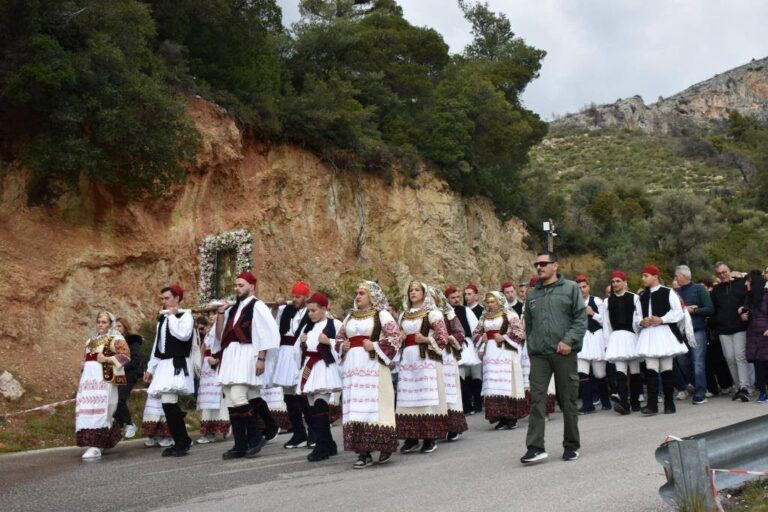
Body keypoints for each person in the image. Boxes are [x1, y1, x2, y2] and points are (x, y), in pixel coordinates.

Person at [521, 252, 586, 464]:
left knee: (568, 400)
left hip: (563, 353)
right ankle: (535, 447)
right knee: (536, 400)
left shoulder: (570, 288)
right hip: (539, 355)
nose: (539, 267)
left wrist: (569, 341)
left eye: (544, 264)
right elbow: (529, 325)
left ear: (555, 266)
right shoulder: (532, 294)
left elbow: (580, 319)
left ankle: (571, 446)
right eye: (537, 264)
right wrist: (532, 347)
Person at [213, 271, 280, 460]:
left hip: (247, 354)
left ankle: (256, 438)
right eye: (236, 285)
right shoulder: (234, 308)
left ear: (252, 286)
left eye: (241, 285)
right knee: (230, 399)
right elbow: (220, 335)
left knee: (238, 396)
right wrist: (220, 313)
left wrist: (261, 359)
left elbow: (267, 333)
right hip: (230, 356)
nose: (237, 288)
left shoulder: (257, 306)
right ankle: (240, 445)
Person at [336, 281, 400, 468]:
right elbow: (340, 337)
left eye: (362, 293)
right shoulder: (350, 317)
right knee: (356, 407)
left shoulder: (381, 314)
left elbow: (395, 337)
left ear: (372, 296)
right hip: (353, 370)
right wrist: (342, 346)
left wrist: (375, 345)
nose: (358, 296)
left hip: (373, 367)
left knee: (376, 407)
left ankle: (384, 445)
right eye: (357, 293)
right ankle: (363, 453)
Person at [397, 280, 449, 455]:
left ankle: (429, 438)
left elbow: (443, 337)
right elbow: (396, 337)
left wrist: (426, 339)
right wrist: (400, 337)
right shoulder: (403, 316)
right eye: (411, 290)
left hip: (426, 361)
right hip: (408, 361)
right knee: (409, 398)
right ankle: (411, 438)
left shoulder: (432, 313)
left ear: (424, 293)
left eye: (417, 290)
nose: (413, 292)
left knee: (426, 398)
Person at [144, 284, 195, 457]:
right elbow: (157, 346)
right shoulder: (163, 319)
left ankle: (182, 441)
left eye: (167, 298)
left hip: (177, 362)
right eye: (162, 299)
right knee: (167, 403)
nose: (164, 302)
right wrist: (151, 368)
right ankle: (182, 440)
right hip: (164, 364)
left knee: (169, 402)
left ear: (177, 298)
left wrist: (173, 317)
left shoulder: (185, 316)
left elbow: (183, 335)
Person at [76, 311, 131, 459]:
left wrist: (106, 359)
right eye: (99, 322)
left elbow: (125, 356)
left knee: (101, 410)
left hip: (104, 380)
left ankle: (96, 445)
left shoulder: (116, 339)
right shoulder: (90, 341)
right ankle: (101, 442)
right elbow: (86, 358)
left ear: (110, 324)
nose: (100, 324)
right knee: (87, 409)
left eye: (104, 322)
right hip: (88, 381)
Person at [296, 292, 343, 461]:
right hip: (310, 368)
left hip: (324, 367)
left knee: (320, 404)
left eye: (313, 310)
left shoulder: (335, 324)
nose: (310, 314)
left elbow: (344, 345)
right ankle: (329, 443)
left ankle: (321, 446)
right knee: (313, 408)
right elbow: (299, 351)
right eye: (308, 311)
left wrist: (329, 341)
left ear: (324, 308)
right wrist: (302, 343)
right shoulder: (307, 327)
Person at [635, 265, 688, 416]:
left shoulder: (668, 292)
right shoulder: (641, 297)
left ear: (655, 276)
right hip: (649, 334)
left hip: (664, 333)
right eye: (642, 276)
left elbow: (679, 312)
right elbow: (636, 316)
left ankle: (669, 403)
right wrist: (641, 322)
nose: (643, 278)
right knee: (650, 368)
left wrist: (662, 319)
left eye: (646, 275)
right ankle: (652, 405)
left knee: (666, 368)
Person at [473, 291, 527, 430]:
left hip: (506, 352)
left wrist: (504, 337)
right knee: (494, 384)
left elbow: (520, 332)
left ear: (499, 302)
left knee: (507, 384)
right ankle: (501, 417)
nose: (490, 304)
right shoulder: (484, 317)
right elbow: (476, 333)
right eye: (488, 302)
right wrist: (481, 338)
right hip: (490, 354)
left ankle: (511, 417)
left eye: (493, 302)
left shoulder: (509, 314)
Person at [272, 281, 312, 448]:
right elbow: (274, 326)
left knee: (302, 396)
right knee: (288, 397)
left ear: (306, 297)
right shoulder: (286, 310)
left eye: (298, 297)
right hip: (285, 354)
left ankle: (314, 433)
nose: (295, 299)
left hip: (300, 354)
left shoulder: (311, 312)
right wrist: (277, 307)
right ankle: (298, 433)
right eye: (293, 296)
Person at [430, 287, 469, 441]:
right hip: (430, 357)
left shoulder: (448, 313)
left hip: (446, 355)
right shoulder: (423, 315)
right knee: (435, 390)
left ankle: (453, 426)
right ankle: (437, 426)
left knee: (449, 390)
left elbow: (460, 332)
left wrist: (451, 338)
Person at [673, 265, 714, 405]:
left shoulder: (699, 289)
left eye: (676, 276)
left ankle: (700, 393)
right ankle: (696, 386)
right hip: (681, 332)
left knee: (698, 362)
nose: (675, 278)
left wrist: (695, 311)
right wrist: (685, 310)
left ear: (684, 276)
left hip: (697, 330)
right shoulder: (675, 292)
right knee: (682, 362)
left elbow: (710, 308)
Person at [603, 271, 643, 415]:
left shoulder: (634, 298)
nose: (615, 284)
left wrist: (640, 338)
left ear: (625, 282)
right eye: (613, 282)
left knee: (635, 371)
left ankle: (635, 402)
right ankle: (624, 403)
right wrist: (607, 343)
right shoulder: (607, 301)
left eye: (618, 281)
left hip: (631, 336)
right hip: (616, 338)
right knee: (620, 372)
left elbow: (638, 318)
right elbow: (606, 323)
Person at [711, 262, 751, 401]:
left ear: (729, 270)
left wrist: (745, 311)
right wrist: (716, 322)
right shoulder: (716, 290)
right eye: (719, 274)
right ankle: (738, 386)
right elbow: (714, 308)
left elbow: (748, 300)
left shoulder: (741, 284)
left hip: (740, 326)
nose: (722, 275)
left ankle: (745, 387)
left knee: (739, 356)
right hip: (723, 328)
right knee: (729, 358)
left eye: (724, 272)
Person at [574, 275, 610, 414]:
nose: (582, 290)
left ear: (589, 287)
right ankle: (587, 405)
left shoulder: (597, 301)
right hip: (582, 339)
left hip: (596, 338)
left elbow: (605, 322)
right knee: (582, 373)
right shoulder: (572, 303)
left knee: (599, 374)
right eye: (579, 288)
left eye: (584, 287)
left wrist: (592, 313)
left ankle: (606, 402)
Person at [445, 286, 482, 415]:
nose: (456, 300)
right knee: (459, 374)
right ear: (447, 299)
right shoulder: (444, 312)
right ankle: (466, 404)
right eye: (453, 298)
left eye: (457, 297)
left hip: (467, 344)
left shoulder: (465, 310)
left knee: (475, 374)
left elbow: (476, 328)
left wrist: (479, 346)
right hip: (453, 345)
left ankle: (477, 403)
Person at [196, 321, 230, 444]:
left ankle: (224, 427)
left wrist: (216, 360)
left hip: (217, 369)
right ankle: (208, 433)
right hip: (206, 371)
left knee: (218, 400)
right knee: (206, 402)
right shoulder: (208, 334)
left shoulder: (224, 331)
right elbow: (202, 351)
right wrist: (200, 365)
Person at [114, 317, 143, 439]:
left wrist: (120, 366)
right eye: (115, 326)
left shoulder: (132, 341)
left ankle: (130, 424)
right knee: (112, 401)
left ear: (125, 328)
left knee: (119, 399)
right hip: (116, 374)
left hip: (129, 374)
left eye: (119, 326)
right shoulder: (113, 341)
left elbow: (136, 359)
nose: (116, 328)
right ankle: (117, 431)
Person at [742, 271, 768, 404]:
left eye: (748, 281)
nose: (746, 283)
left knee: (766, 363)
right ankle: (763, 392)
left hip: (765, 333)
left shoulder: (766, 296)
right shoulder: (750, 297)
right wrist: (743, 315)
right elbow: (746, 312)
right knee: (758, 364)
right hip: (753, 334)